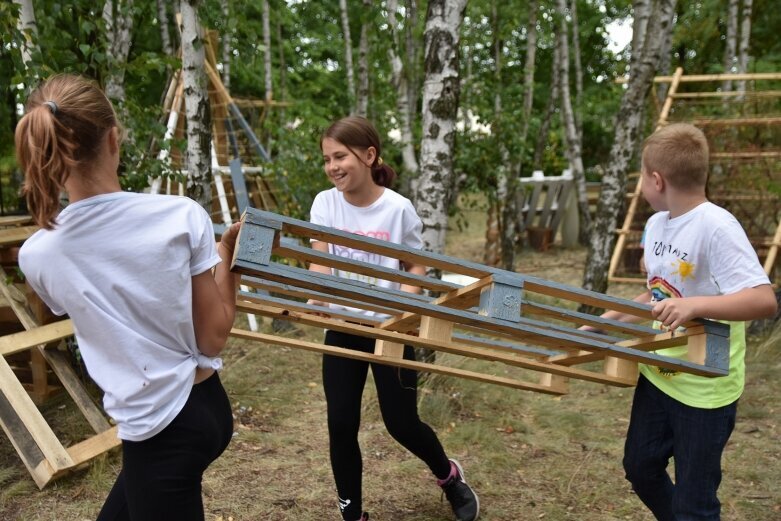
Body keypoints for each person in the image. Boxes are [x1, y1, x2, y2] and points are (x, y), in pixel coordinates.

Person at [15, 74, 241, 521]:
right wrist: (228, 258)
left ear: (48, 154)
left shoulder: (37, 254)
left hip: (159, 431)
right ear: (114, 138)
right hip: (203, 409)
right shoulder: (180, 216)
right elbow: (213, 338)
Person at [596, 123, 777, 520]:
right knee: (640, 468)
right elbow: (657, 294)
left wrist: (695, 306)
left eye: (642, 175)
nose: (641, 184)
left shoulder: (718, 227)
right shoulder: (656, 224)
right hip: (660, 374)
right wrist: (599, 323)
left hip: (705, 389)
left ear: (656, 179)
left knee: (695, 502)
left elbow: (764, 300)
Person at [307, 116, 479, 521]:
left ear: (369, 156)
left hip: (391, 329)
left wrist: (404, 312)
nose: (333, 167)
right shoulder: (324, 203)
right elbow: (319, 258)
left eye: (341, 157)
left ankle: (449, 476)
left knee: (401, 423)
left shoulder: (397, 208)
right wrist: (318, 292)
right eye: (327, 159)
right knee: (341, 423)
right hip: (344, 327)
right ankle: (353, 514)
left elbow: (414, 267)